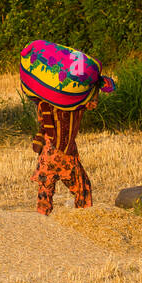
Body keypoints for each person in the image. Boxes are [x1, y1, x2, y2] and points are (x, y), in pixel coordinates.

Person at [30, 75, 115, 216]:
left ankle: (42, 220)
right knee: (83, 187)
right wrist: (95, 83)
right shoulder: (77, 101)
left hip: (48, 152)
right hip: (65, 153)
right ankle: (83, 219)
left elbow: (41, 119)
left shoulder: (44, 101)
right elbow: (92, 104)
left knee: (45, 189)